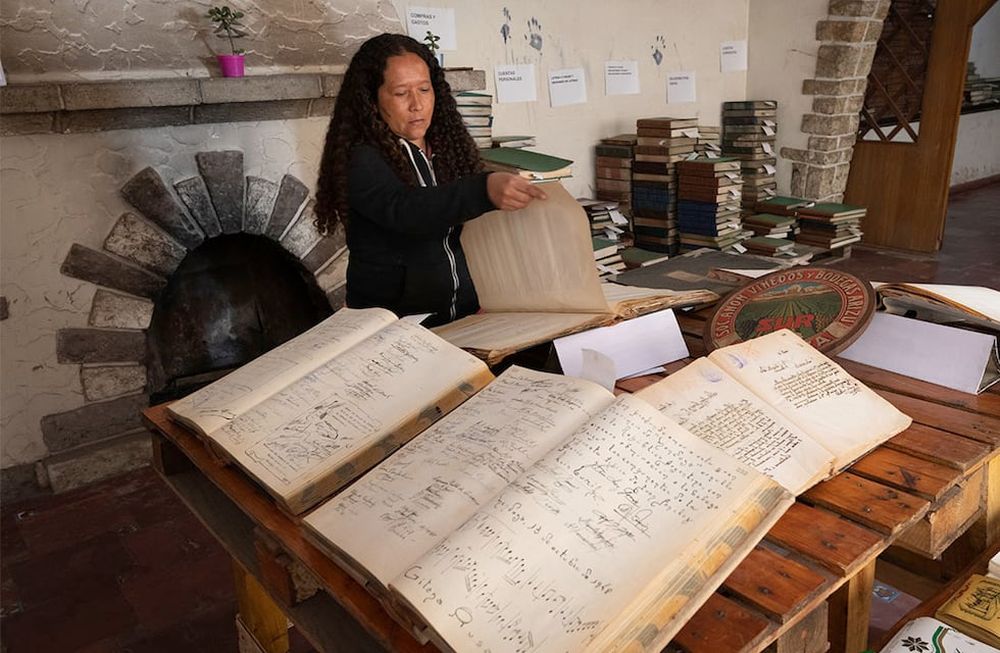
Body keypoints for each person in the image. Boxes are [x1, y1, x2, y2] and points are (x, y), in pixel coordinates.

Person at [315, 33, 546, 327]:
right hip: (394, 327)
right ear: (371, 100)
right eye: (401, 93)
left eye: (424, 89)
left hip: (462, 318)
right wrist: (483, 190)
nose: (417, 104)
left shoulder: (448, 148)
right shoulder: (360, 158)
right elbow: (408, 210)